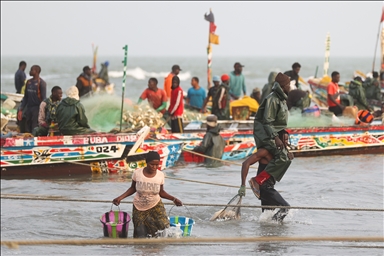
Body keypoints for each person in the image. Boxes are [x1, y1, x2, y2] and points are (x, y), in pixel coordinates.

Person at [112, 151, 183, 238]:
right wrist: (120, 198)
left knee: (163, 228)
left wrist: (174, 199)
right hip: (139, 207)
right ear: (146, 162)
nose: (154, 167)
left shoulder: (160, 175)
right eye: (151, 164)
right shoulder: (137, 173)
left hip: (155, 205)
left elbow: (161, 192)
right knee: (140, 232)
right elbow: (133, 188)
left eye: (157, 165)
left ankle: (157, 250)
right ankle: (142, 250)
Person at [238, 129, 293, 222]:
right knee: (285, 208)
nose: (286, 142)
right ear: (277, 140)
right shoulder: (265, 151)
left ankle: (269, 232)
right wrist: (243, 185)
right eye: (284, 140)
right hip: (264, 188)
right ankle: (275, 225)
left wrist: (288, 158)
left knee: (266, 220)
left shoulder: (281, 154)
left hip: (269, 187)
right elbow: (245, 164)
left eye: (287, 140)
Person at [251, 72, 291, 196]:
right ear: (283, 86)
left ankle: (266, 182)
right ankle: (258, 181)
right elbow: (267, 122)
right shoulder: (272, 99)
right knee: (283, 157)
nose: (290, 87)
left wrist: (283, 135)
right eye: (289, 84)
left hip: (273, 134)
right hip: (265, 135)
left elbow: (279, 123)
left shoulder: (281, 99)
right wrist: (275, 138)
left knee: (287, 157)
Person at [18, 65, 47, 133]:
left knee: (34, 126)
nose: (30, 71)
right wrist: (21, 109)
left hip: (37, 108)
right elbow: (25, 97)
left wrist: (43, 112)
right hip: (28, 108)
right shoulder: (28, 82)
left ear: (36, 71)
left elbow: (44, 99)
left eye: (31, 70)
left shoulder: (42, 83)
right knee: (27, 126)